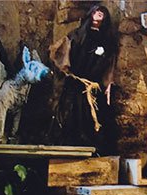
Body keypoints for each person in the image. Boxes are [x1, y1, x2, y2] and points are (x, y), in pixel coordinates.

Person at [50, 4, 118, 151]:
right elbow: (61, 53)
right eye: (96, 11)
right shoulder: (77, 34)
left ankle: (94, 146)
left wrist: (107, 82)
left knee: (93, 119)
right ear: (91, 14)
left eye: (102, 12)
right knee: (73, 115)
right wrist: (66, 69)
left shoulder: (106, 39)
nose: (99, 14)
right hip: (75, 84)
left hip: (94, 85)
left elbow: (109, 62)